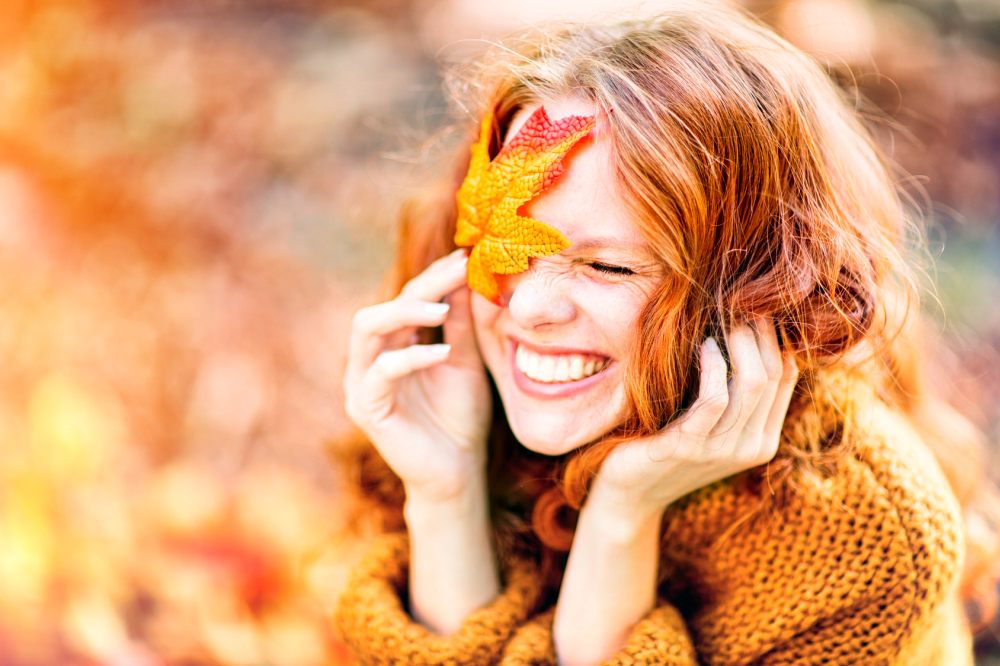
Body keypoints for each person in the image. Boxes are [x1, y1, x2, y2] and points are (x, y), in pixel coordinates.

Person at [332, 3, 996, 664]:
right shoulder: (463, 395)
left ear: (757, 288)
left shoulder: (866, 543)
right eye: (501, 243)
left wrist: (622, 517)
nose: (528, 308)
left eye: (608, 266)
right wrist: (446, 495)